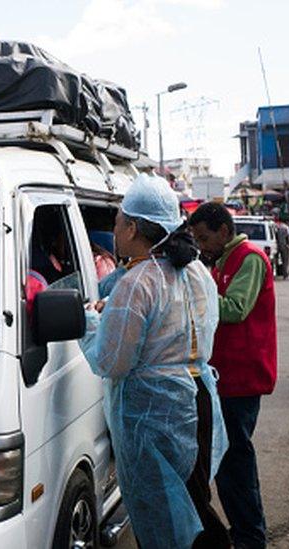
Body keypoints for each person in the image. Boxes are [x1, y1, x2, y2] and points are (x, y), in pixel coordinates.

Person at [82, 175, 228, 549]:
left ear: (132, 228)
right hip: (196, 397)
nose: (113, 230)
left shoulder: (138, 283)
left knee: (162, 510)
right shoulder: (193, 269)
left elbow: (113, 361)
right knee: (192, 498)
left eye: (116, 222)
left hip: (154, 411)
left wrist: (91, 323)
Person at [189, 202, 277, 549]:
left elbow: (237, 308)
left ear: (224, 231)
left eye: (204, 238)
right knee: (225, 463)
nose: (200, 246)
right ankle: (242, 534)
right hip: (224, 376)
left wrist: (196, 301)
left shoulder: (249, 258)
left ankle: (250, 538)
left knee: (236, 463)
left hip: (243, 377)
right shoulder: (221, 260)